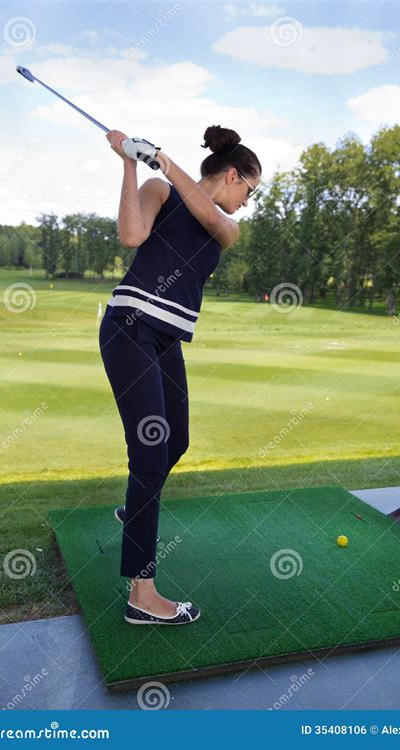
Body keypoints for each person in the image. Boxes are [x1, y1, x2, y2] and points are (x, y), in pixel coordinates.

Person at [99, 125, 262, 625]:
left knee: (178, 441)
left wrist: (162, 156)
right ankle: (142, 595)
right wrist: (131, 162)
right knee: (150, 451)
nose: (247, 202)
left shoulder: (222, 224)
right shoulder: (159, 189)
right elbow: (131, 235)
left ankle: (137, 508)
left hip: (167, 338)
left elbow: (214, 217)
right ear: (232, 174)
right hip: (129, 326)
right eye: (248, 190)